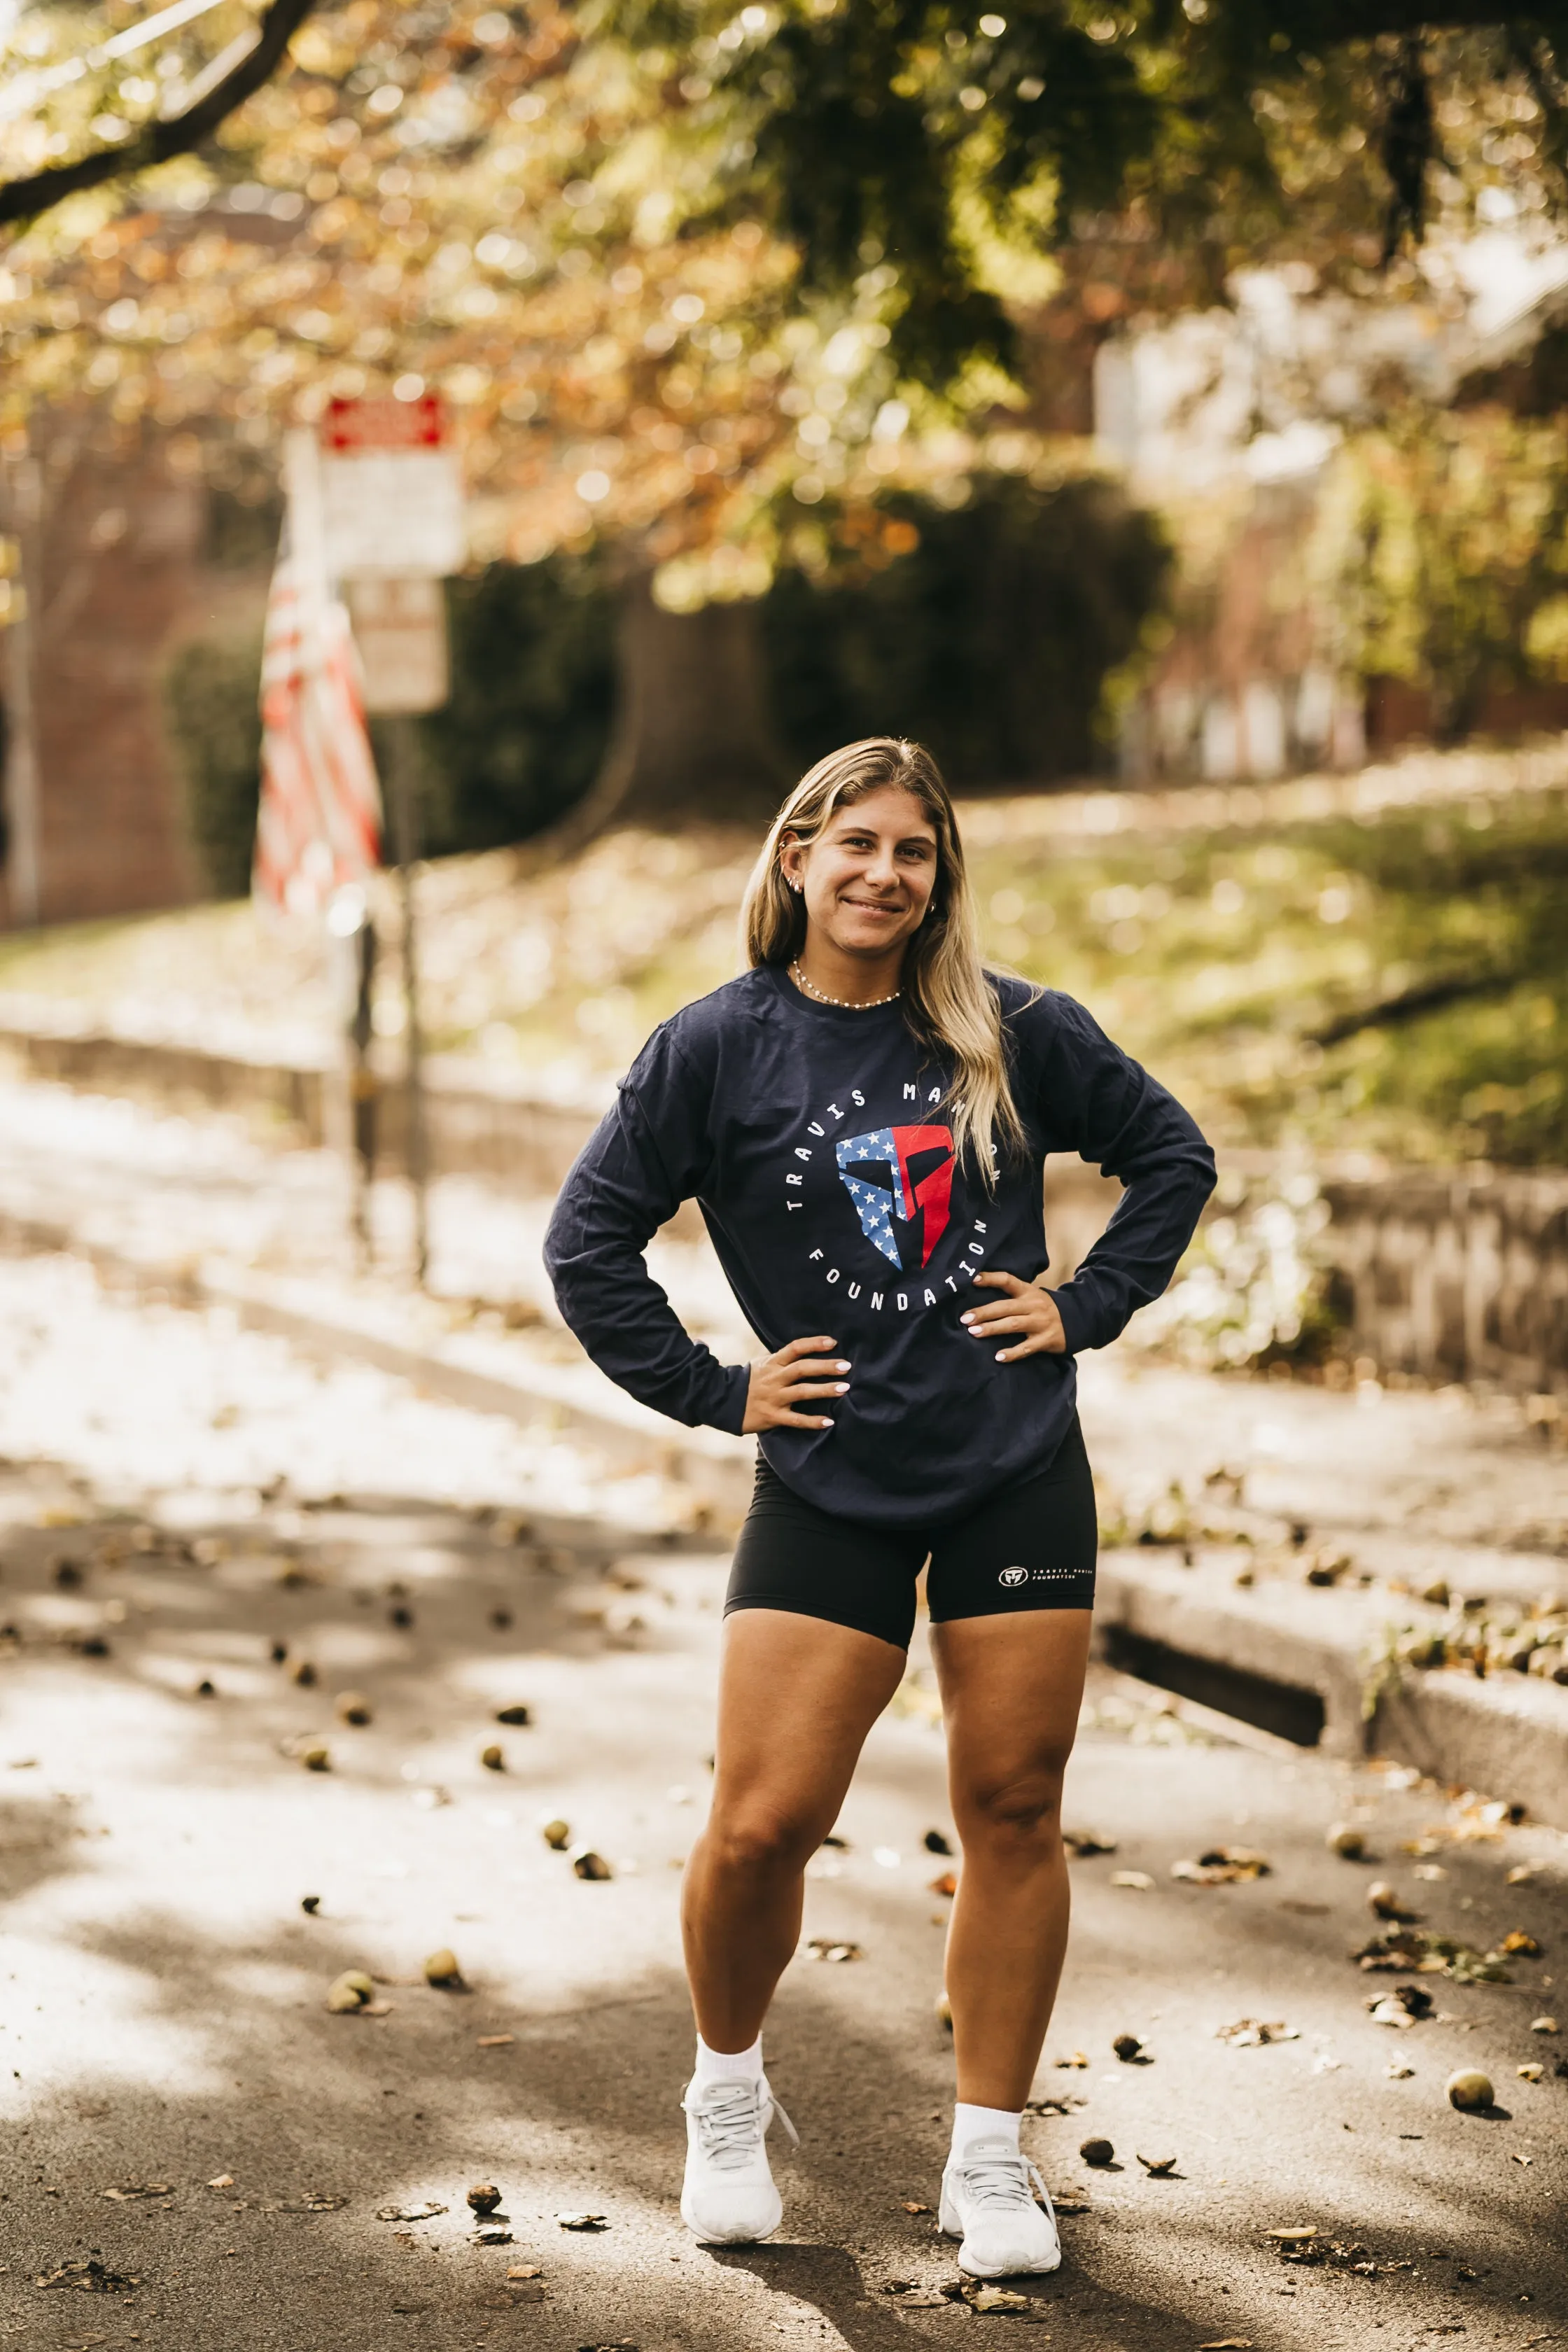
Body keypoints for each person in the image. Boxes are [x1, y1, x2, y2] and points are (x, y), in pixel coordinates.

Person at [544, 737, 1215, 2277]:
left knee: (1014, 1806)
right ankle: (725, 2092)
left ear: (938, 879)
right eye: (854, 843)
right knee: (765, 1820)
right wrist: (723, 1391)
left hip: (1010, 1467)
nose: (881, 873)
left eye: (912, 851)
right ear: (794, 859)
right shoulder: (714, 1048)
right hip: (829, 1483)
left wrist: (1084, 1303)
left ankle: (991, 2159)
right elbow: (588, 1247)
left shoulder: (1014, 1032)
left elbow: (1169, 1157)